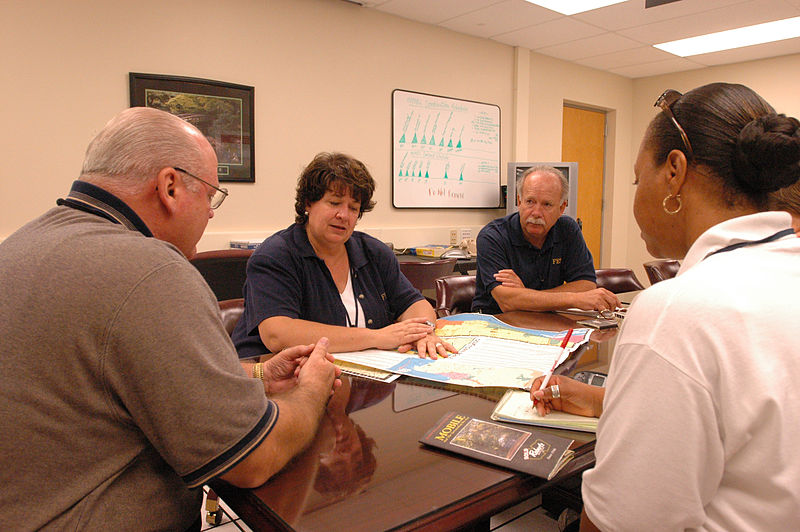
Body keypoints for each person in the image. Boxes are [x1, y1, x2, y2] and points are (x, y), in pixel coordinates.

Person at [0, 107, 340, 530]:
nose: (212, 213)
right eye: (211, 195)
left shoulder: (21, 245)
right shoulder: (151, 269)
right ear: (170, 187)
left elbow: (102, 385)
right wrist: (311, 389)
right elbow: (251, 461)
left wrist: (254, 375)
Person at [531, 83, 800, 531]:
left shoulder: (677, 310)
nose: (635, 195)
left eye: (638, 180)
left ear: (674, 172)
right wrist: (605, 401)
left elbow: (621, 522)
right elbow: (758, 420)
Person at [232, 152, 456, 360]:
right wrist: (377, 337)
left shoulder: (374, 252)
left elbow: (414, 304)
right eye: (334, 203)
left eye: (353, 207)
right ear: (309, 203)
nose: (343, 215)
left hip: (357, 377)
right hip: (272, 380)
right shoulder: (276, 255)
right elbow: (277, 334)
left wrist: (423, 331)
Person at [471, 165, 619, 314]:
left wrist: (526, 295)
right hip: (495, 323)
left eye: (547, 204)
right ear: (519, 201)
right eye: (530, 202)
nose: (536, 213)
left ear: (561, 208)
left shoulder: (568, 230)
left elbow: (586, 285)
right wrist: (574, 299)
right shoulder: (492, 236)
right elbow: (508, 302)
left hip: (546, 322)